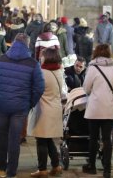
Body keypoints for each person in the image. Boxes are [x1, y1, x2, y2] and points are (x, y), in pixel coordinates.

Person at [0, 33, 45, 178]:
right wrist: (29, 103)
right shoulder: (33, 63)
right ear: (27, 45)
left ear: (12, 44)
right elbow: (39, 87)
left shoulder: (0, 59)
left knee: (2, 137)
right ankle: (11, 172)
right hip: (20, 107)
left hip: (2, 105)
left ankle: (1, 168)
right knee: (15, 139)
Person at [82, 44, 113, 178]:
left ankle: (92, 166)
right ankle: (107, 169)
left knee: (93, 138)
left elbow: (86, 88)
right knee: (107, 139)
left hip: (95, 107)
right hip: (109, 107)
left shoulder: (92, 68)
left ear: (96, 53)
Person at [28, 48, 64, 177]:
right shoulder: (59, 71)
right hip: (55, 108)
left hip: (44, 110)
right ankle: (56, 166)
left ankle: (42, 169)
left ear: (47, 57)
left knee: (41, 140)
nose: (40, 58)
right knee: (49, 139)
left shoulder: (42, 72)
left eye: (42, 56)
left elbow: (34, 89)